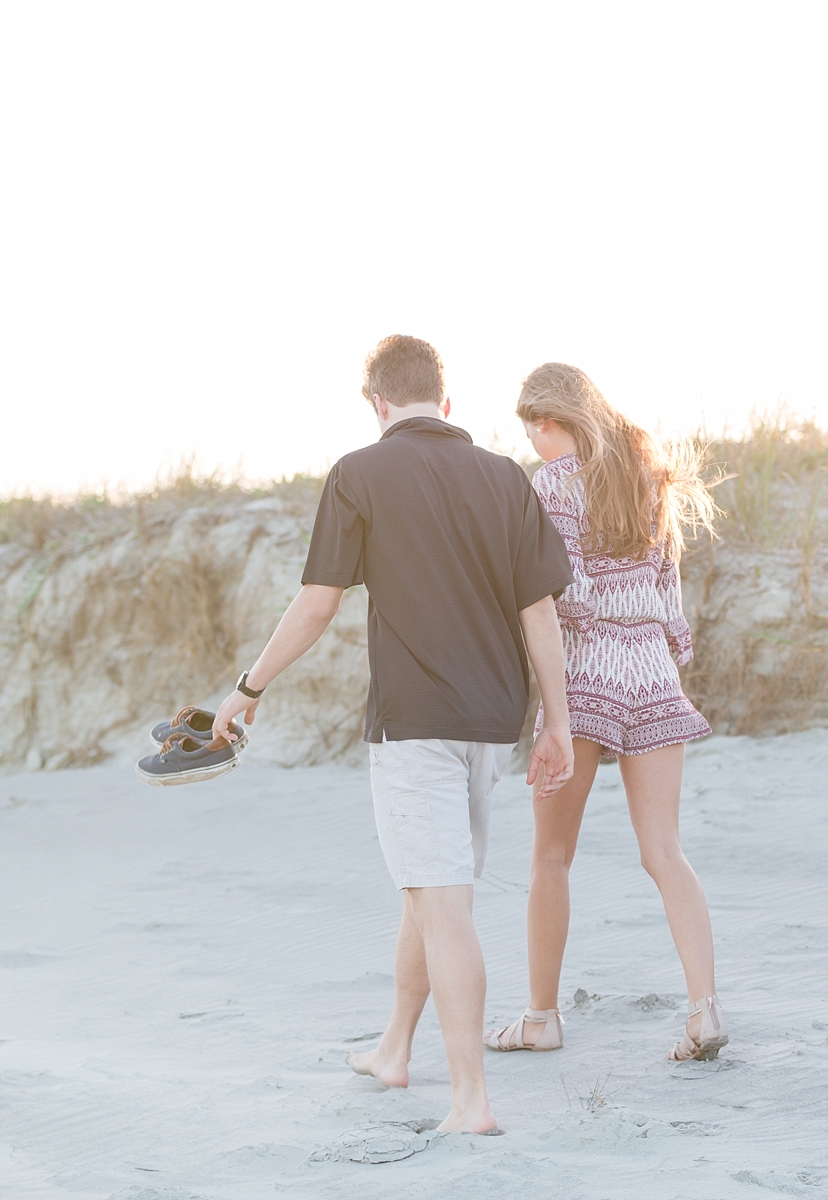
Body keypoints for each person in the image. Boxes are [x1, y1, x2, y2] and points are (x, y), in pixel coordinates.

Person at [203, 335, 576, 1134]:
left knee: (442, 905)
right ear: (446, 401)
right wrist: (559, 724)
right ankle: (394, 1048)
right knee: (430, 885)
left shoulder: (360, 472)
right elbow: (538, 612)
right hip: (491, 723)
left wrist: (247, 689)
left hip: (415, 723)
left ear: (376, 402)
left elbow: (317, 603)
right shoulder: (505, 477)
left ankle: (471, 1100)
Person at [483, 362, 728, 1062]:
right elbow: (668, 587)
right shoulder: (647, 473)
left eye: (538, 428)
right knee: (665, 852)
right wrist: (660, 641)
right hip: (651, 667)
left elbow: (570, 594)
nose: (535, 442)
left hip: (588, 668)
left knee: (551, 857)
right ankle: (704, 1008)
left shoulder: (555, 482)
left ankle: (540, 1018)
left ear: (554, 420)